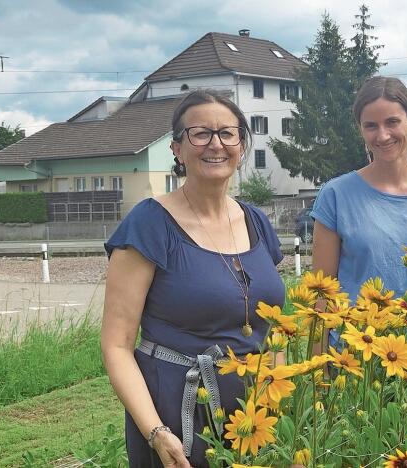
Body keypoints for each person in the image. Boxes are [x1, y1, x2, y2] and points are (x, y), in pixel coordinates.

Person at [101, 90, 285, 468]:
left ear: (241, 144)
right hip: (176, 409)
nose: (215, 144)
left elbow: (274, 329)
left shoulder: (258, 222)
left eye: (227, 133)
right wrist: (155, 431)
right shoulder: (149, 224)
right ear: (177, 149)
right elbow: (117, 346)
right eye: (200, 133)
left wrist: (282, 400)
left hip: (256, 408)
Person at [311, 76, 407, 303]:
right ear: (361, 129)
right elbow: (322, 295)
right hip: (356, 336)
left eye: (392, 122)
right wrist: (319, 339)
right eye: (371, 126)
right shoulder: (336, 196)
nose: (382, 135)